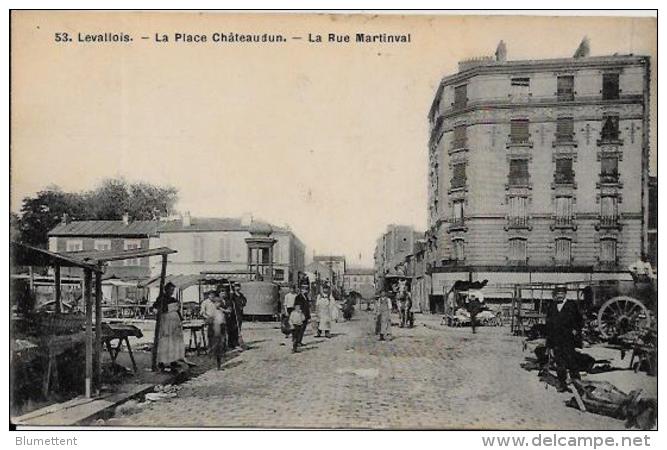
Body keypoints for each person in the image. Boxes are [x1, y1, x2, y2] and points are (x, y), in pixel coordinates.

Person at [545, 285, 584, 392]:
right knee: (560, 364)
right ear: (555, 295)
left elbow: (580, 321)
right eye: (558, 294)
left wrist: (576, 333)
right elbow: (548, 326)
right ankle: (562, 384)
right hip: (556, 340)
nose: (560, 296)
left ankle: (578, 386)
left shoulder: (572, 305)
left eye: (562, 293)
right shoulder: (552, 306)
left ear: (565, 294)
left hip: (569, 340)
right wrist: (549, 344)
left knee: (572, 364)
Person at [153, 282, 186, 370]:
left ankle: (173, 359)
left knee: (174, 341)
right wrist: (167, 309)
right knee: (165, 340)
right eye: (170, 290)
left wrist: (180, 319)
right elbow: (157, 309)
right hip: (166, 322)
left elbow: (178, 311)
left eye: (173, 290)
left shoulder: (173, 299)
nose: (171, 291)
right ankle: (162, 361)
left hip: (175, 323)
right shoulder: (161, 299)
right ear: (166, 289)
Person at [200, 291, 227, 369]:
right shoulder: (206, 303)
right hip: (212, 325)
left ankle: (218, 360)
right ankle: (212, 355)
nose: (217, 304)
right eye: (217, 303)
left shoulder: (220, 310)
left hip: (219, 327)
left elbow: (222, 320)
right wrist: (208, 318)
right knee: (212, 340)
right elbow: (203, 313)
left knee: (219, 343)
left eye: (219, 303)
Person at [220, 286, 241, 351]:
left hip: (228, 318)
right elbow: (217, 307)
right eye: (222, 293)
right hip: (220, 318)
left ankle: (232, 344)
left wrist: (229, 309)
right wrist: (225, 310)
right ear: (219, 294)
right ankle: (222, 347)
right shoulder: (218, 300)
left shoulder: (228, 301)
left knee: (232, 330)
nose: (224, 294)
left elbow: (230, 307)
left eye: (225, 293)